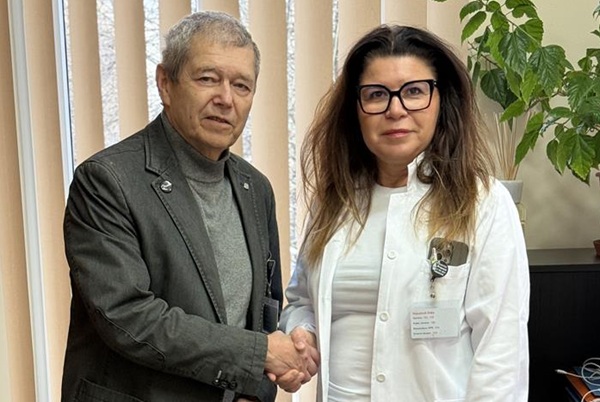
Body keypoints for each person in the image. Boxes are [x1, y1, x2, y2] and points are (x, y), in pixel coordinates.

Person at [61, 11, 317, 402]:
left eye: (242, 85)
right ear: (166, 83)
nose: (226, 99)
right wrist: (260, 355)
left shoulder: (255, 188)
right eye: (208, 78)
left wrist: (260, 383)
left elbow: (264, 310)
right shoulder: (106, 181)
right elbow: (128, 317)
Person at [279, 24, 530, 401]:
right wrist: (303, 332)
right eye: (376, 94)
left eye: (414, 91)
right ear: (356, 109)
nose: (395, 110)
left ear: (441, 100)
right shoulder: (334, 202)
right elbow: (303, 302)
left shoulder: (484, 203)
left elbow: (501, 355)